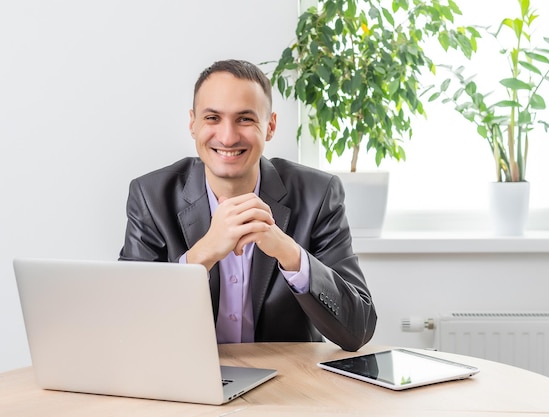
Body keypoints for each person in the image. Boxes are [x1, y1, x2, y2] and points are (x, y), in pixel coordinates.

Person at [119, 59, 376, 352]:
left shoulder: (318, 194)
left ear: (270, 126)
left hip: (286, 384)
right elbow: (127, 323)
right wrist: (201, 255)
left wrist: (291, 254)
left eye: (245, 119)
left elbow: (359, 329)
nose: (227, 137)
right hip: (187, 380)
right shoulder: (150, 196)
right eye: (212, 118)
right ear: (193, 124)